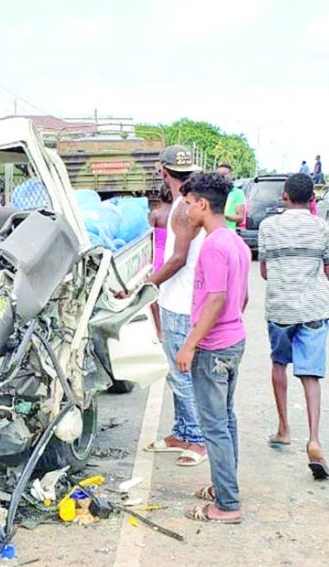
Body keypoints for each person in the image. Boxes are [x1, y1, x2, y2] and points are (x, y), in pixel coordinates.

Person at [173, 173, 250, 524]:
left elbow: (216, 299)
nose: (186, 210)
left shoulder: (214, 246)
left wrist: (190, 345)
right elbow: (241, 297)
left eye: (188, 204)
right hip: (233, 340)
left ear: (203, 204)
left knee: (214, 426)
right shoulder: (235, 242)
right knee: (226, 419)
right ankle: (225, 487)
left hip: (214, 347)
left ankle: (227, 505)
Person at [258, 173, 329, 480]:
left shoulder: (268, 227)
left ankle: (283, 429)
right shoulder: (322, 227)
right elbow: (328, 272)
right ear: (312, 200)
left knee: (279, 365)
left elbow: (264, 270)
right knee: (310, 375)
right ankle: (314, 439)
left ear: (285, 196)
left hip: (280, 307)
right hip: (314, 308)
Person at [138, 145, 207, 467]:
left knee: (182, 375)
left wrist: (147, 284)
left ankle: (197, 440)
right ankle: (183, 431)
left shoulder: (182, 208)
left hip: (180, 303)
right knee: (176, 373)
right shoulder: (184, 204)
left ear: (163, 172)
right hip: (177, 299)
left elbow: (179, 259)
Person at [149, 198, 171, 337]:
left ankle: (159, 330)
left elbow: (149, 236)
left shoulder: (156, 214)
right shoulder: (178, 213)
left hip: (159, 253)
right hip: (172, 253)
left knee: (153, 291)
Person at [215, 163, 246, 230]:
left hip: (228, 234)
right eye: (218, 174)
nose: (221, 177)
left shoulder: (237, 193)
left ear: (231, 175)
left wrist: (224, 216)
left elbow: (241, 217)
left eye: (224, 174)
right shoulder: (211, 191)